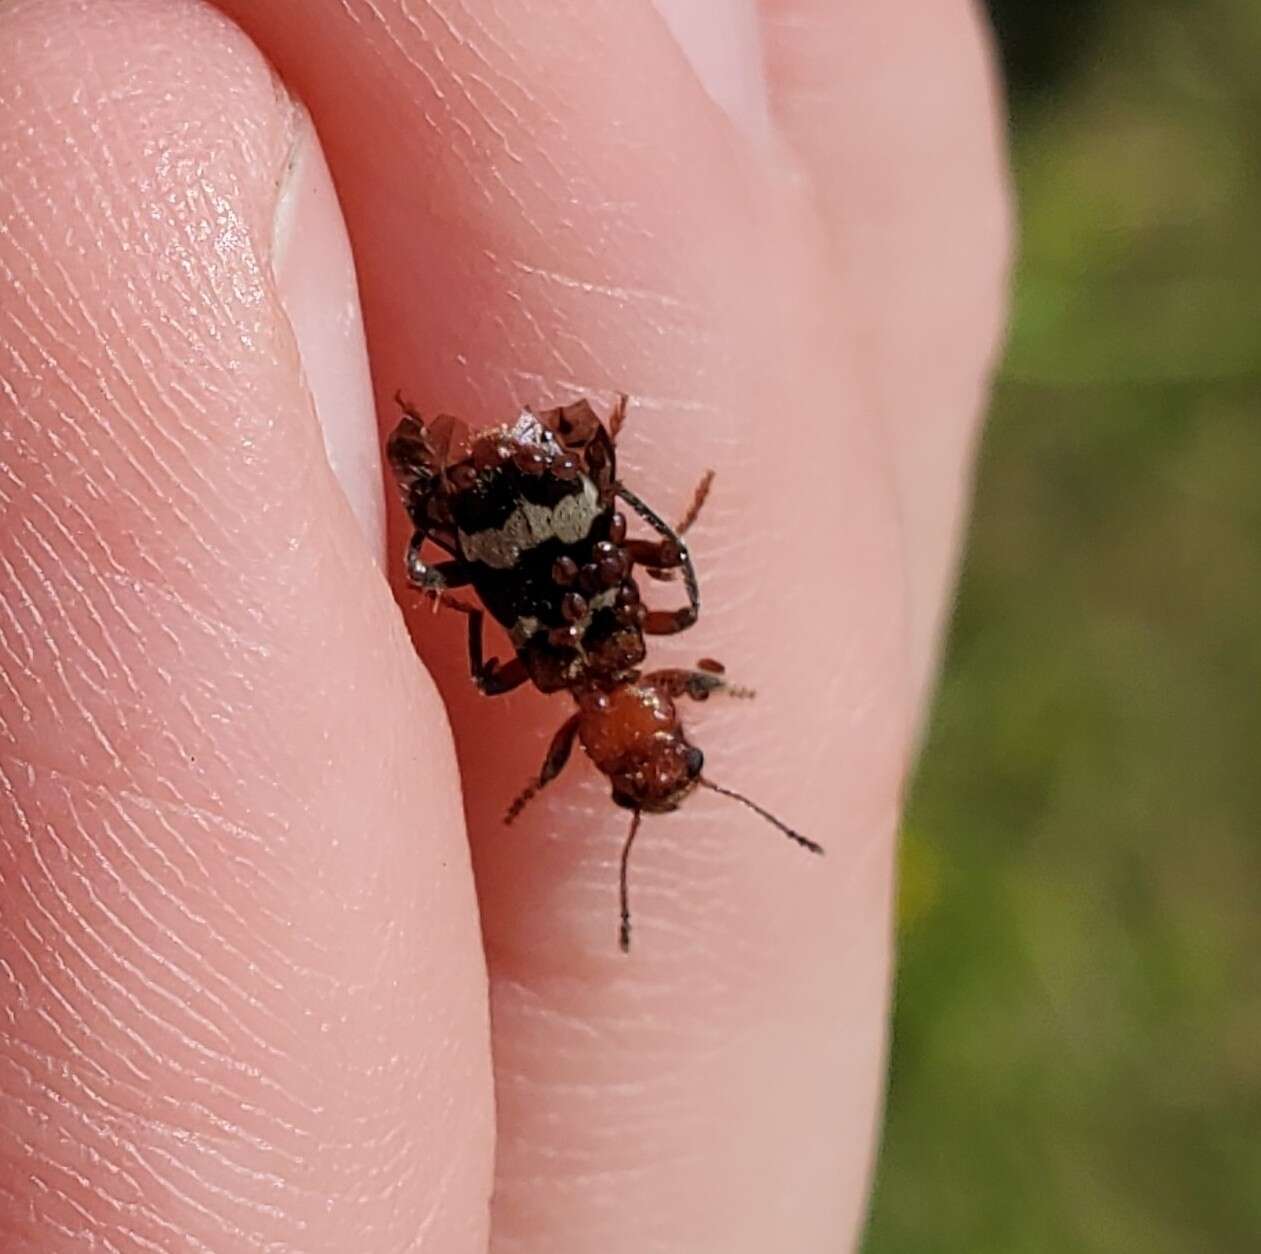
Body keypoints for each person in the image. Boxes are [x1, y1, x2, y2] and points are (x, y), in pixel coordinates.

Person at [0, 1, 1010, 1249]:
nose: (653, 750)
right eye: (676, 753)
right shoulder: (577, 665)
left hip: (530, 496)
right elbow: (637, 589)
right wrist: (498, 566)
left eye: (642, 764)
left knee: (656, 576)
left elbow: (662, 574)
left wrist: (596, 506)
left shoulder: (628, 646)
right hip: (510, 509)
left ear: (612, 743)